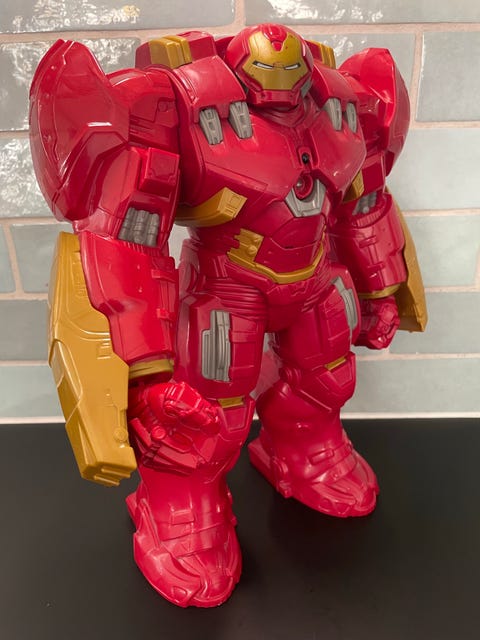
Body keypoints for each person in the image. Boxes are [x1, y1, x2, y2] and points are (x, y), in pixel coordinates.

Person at [30, 23, 426, 608]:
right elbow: (126, 237)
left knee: (328, 376)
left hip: (315, 277)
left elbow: (364, 201)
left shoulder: (340, 104)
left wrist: (379, 288)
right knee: (205, 414)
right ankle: (180, 509)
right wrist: (145, 365)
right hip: (226, 284)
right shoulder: (177, 105)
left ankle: (304, 447)